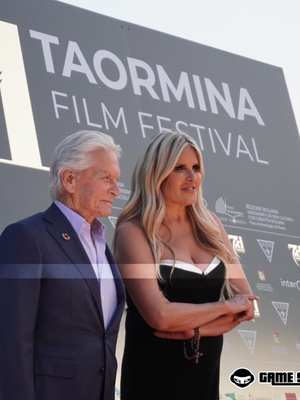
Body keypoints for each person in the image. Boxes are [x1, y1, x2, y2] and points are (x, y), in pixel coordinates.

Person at [113, 131, 258, 400]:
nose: (192, 177)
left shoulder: (211, 225)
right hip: (153, 376)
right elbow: (160, 316)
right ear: (157, 173)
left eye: (196, 167)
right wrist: (224, 308)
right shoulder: (133, 231)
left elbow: (246, 305)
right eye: (180, 168)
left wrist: (195, 331)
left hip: (205, 374)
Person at [0, 130, 126, 400]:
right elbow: (10, 343)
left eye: (116, 179)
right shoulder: (26, 237)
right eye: (106, 178)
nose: (116, 190)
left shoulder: (101, 244)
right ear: (69, 179)